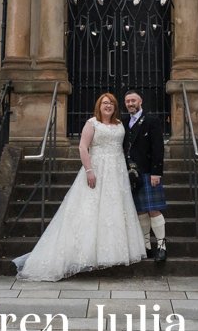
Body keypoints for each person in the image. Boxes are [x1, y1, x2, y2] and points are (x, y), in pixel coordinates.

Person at [14, 92, 146, 281]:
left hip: (117, 173)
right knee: (89, 210)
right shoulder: (92, 123)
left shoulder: (119, 124)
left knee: (114, 210)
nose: (108, 106)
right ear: (99, 106)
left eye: (111, 104)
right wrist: (89, 170)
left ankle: (111, 253)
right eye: (104, 103)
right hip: (98, 169)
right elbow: (83, 147)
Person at [122, 89, 168, 261]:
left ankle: (162, 245)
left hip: (148, 171)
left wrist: (157, 172)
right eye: (127, 101)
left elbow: (158, 148)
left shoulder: (151, 120)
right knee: (140, 210)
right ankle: (146, 246)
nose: (130, 104)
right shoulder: (123, 121)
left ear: (140, 101)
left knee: (153, 210)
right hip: (130, 173)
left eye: (133, 100)